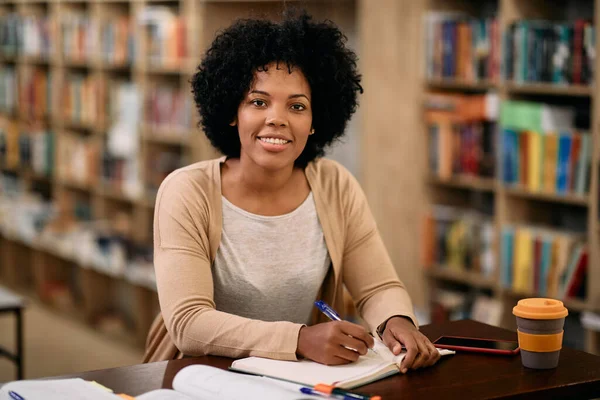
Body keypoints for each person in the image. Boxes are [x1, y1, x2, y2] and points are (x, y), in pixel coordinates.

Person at [143, 10, 440, 373]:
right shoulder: (188, 191)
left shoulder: (335, 185)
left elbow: (377, 287)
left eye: (297, 106)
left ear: (315, 121)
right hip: (200, 378)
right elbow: (190, 323)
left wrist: (396, 322)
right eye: (258, 102)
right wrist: (299, 339)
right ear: (232, 111)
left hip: (291, 377)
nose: (277, 118)